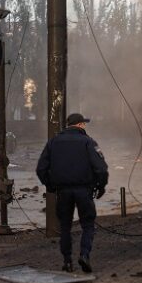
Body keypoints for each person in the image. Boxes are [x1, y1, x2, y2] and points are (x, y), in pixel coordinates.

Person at [36, 113, 108, 273]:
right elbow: (101, 168)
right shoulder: (88, 142)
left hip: (63, 191)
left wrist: (50, 186)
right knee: (88, 225)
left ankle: (67, 261)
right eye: (84, 124)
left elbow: (41, 168)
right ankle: (84, 255)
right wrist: (101, 186)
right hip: (84, 190)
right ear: (81, 125)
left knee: (65, 226)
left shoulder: (53, 142)